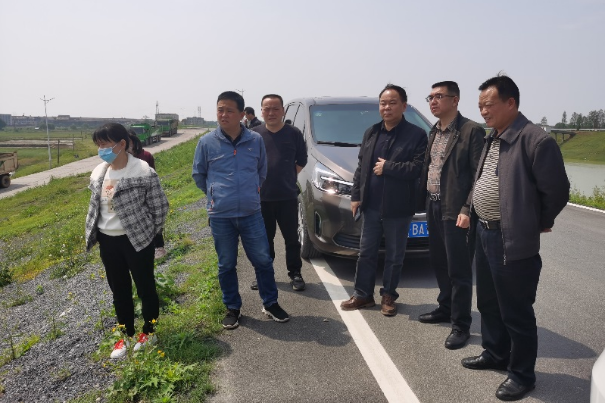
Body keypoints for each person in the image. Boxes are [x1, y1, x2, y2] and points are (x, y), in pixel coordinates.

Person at [462, 74, 569, 401]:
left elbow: (557, 191)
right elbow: (481, 180)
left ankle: (522, 375)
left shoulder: (535, 140)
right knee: (489, 302)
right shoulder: (493, 137)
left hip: (511, 240)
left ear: (511, 103)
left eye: (489, 104)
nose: (483, 111)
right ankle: (495, 353)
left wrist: (537, 221)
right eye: (480, 106)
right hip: (485, 233)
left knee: (516, 311)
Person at [192, 91, 290, 330]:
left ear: (241, 114)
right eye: (220, 110)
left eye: (229, 110)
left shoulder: (255, 140)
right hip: (221, 216)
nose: (223, 115)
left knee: (263, 260)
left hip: (251, 213)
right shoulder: (206, 142)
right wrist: (216, 195)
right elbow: (199, 174)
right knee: (226, 264)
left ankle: (270, 303)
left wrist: (251, 192)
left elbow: (261, 171)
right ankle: (232, 307)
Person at [341, 84, 427, 317]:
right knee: (366, 253)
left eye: (392, 103)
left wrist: (389, 167)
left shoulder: (417, 135)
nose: (386, 107)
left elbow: (418, 168)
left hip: (399, 207)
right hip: (371, 206)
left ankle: (388, 296)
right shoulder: (371, 132)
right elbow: (362, 166)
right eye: (383, 103)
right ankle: (363, 295)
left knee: (394, 256)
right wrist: (356, 196)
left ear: (404, 106)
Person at [85, 123, 169, 359]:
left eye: (105, 144)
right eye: (99, 145)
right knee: (119, 290)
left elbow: (160, 207)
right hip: (108, 241)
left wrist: (148, 233)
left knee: (145, 287)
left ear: (122, 144)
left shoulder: (142, 171)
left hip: (136, 241)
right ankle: (126, 334)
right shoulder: (99, 172)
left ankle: (149, 331)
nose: (101, 149)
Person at [417, 81, 485, 350]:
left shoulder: (471, 131)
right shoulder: (434, 131)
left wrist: (467, 209)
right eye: (430, 97)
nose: (433, 102)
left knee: (459, 270)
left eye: (438, 96)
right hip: (434, 206)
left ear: (455, 100)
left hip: (456, 211)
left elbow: (478, 176)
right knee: (439, 262)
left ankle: (461, 325)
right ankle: (445, 308)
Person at [250, 94, 308, 292]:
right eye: (267, 108)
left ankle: (295, 273)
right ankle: (264, 273)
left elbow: (302, 160)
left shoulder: (293, 133)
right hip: (261, 199)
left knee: (292, 239)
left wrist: (286, 176)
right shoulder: (254, 134)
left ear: (283, 111)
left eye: (276, 108)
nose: (271, 112)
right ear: (261, 111)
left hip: (287, 197)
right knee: (264, 240)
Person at [128, 131, 167, 260]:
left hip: (146, 193)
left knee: (152, 219)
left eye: (129, 141)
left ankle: (159, 247)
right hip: (131, 197)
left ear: (133, 141)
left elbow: (153, 174)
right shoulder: (121, 159)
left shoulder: (145, 155)